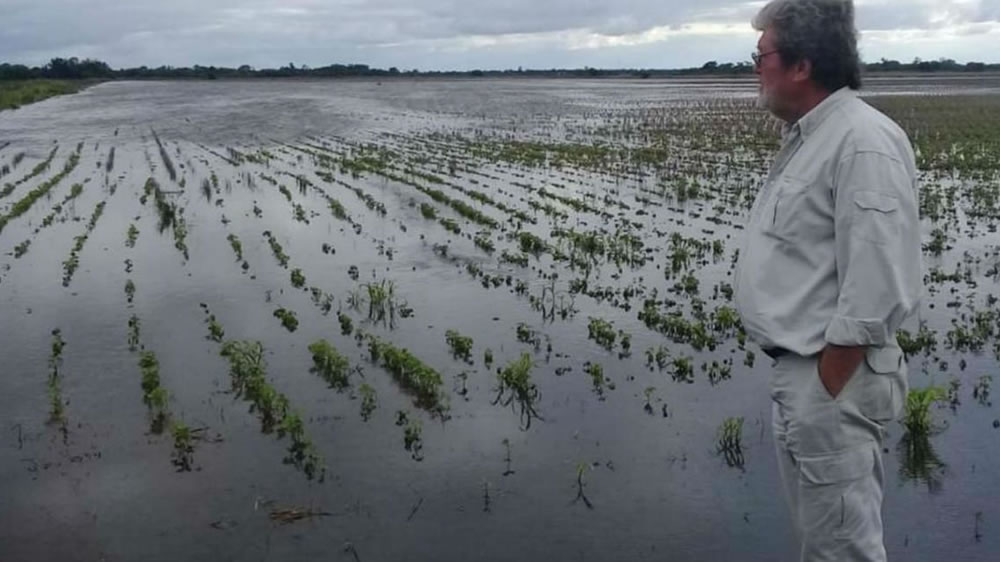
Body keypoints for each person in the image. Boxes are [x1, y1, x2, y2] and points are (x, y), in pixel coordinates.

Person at [734, 0, 922, 560]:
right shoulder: (811, 136)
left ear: (801, 65)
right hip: (810, 379)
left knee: (842, 550)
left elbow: (877, 283)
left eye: (761, 54)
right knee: (825, 545)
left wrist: (826, 381)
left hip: (830, 381)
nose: (755, 67)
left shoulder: (861, 141)